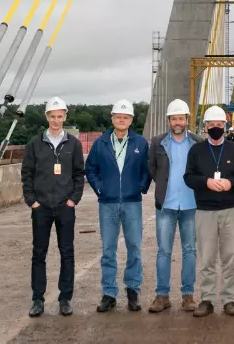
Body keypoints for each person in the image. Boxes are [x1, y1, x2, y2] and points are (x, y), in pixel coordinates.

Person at [21, 96, 85, 318]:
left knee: (67, 253)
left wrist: (73, 199)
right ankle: (37, 299)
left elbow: (79, 174)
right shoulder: (34, 144)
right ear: (46, 117)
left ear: (65, 116)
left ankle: (65, 299)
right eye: (52, 116)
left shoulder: (73, 144)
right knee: (39, 253)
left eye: (60, 116)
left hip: (65, 207)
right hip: (42, 208)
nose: (56, 120)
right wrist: (32, 201)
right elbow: (27, 174)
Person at [84, 99, 150, 312]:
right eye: (118, 116)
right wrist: (100, 188)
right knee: (108, 249)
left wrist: (141, 186)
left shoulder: (140, 143)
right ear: (112, 118)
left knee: (134, 247)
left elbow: (147, 168)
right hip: (108, 203)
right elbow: (90, 168)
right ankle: (109, 293)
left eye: (126, 117)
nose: (122, 120)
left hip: (132, 202)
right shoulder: (101, 143)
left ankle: (133, 291)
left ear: (131, 120)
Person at [183, 105, 234, 317]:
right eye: (211, 124)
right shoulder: (196, 151)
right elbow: (188, 177)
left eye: (219, 124)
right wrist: (206, 182)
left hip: (230, 209)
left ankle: (229, 300)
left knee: (230, 256)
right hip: (205, 211)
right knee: (207, 258)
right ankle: (207, 299)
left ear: (225, 126)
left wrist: (231, 183)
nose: (215, 128)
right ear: (205, 127)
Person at [147, 98, 200, 313]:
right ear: (168, 120)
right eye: (174, 119)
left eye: (181, 118)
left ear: (187, 119)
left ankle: (188, 295)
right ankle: (162, 296)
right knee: (164, 251)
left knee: (190, 251)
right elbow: (152, 168)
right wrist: (163, 185)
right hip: (166, 205)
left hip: (190, 205)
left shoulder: (197, 142)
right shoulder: (158, 142)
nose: (177, 122)